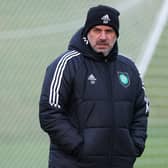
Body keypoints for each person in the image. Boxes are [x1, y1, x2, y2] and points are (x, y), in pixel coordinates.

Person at [39, 5, 149, 168]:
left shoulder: (129, 68)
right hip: (74, 163)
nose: (103, 37)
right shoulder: (67, 64)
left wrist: (133, 146)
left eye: (109, 31)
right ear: (87, 32)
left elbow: (142, 110)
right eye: (97, 30)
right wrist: (80, 147)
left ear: (116, 35)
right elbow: (49, 112)